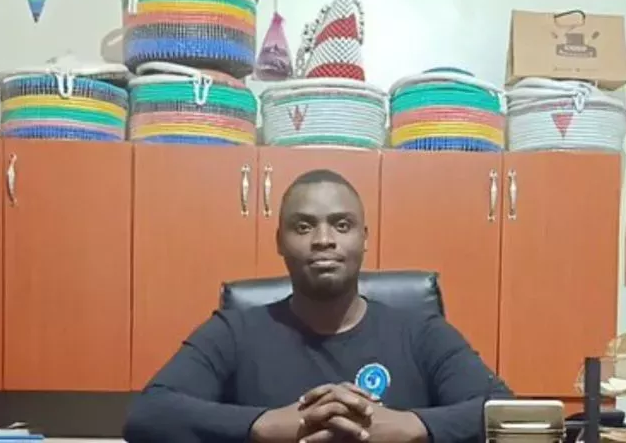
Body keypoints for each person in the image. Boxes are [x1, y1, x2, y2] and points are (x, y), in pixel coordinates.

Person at [123, 169, 513, 443]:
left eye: (342, 225)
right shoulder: (233, 332)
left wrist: (412, 426)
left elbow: (510, 414)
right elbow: (148, 415)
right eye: (304, 226)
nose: (323, 239)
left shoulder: (422, 332)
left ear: (365, 239)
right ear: (280, 241)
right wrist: (262, 424)